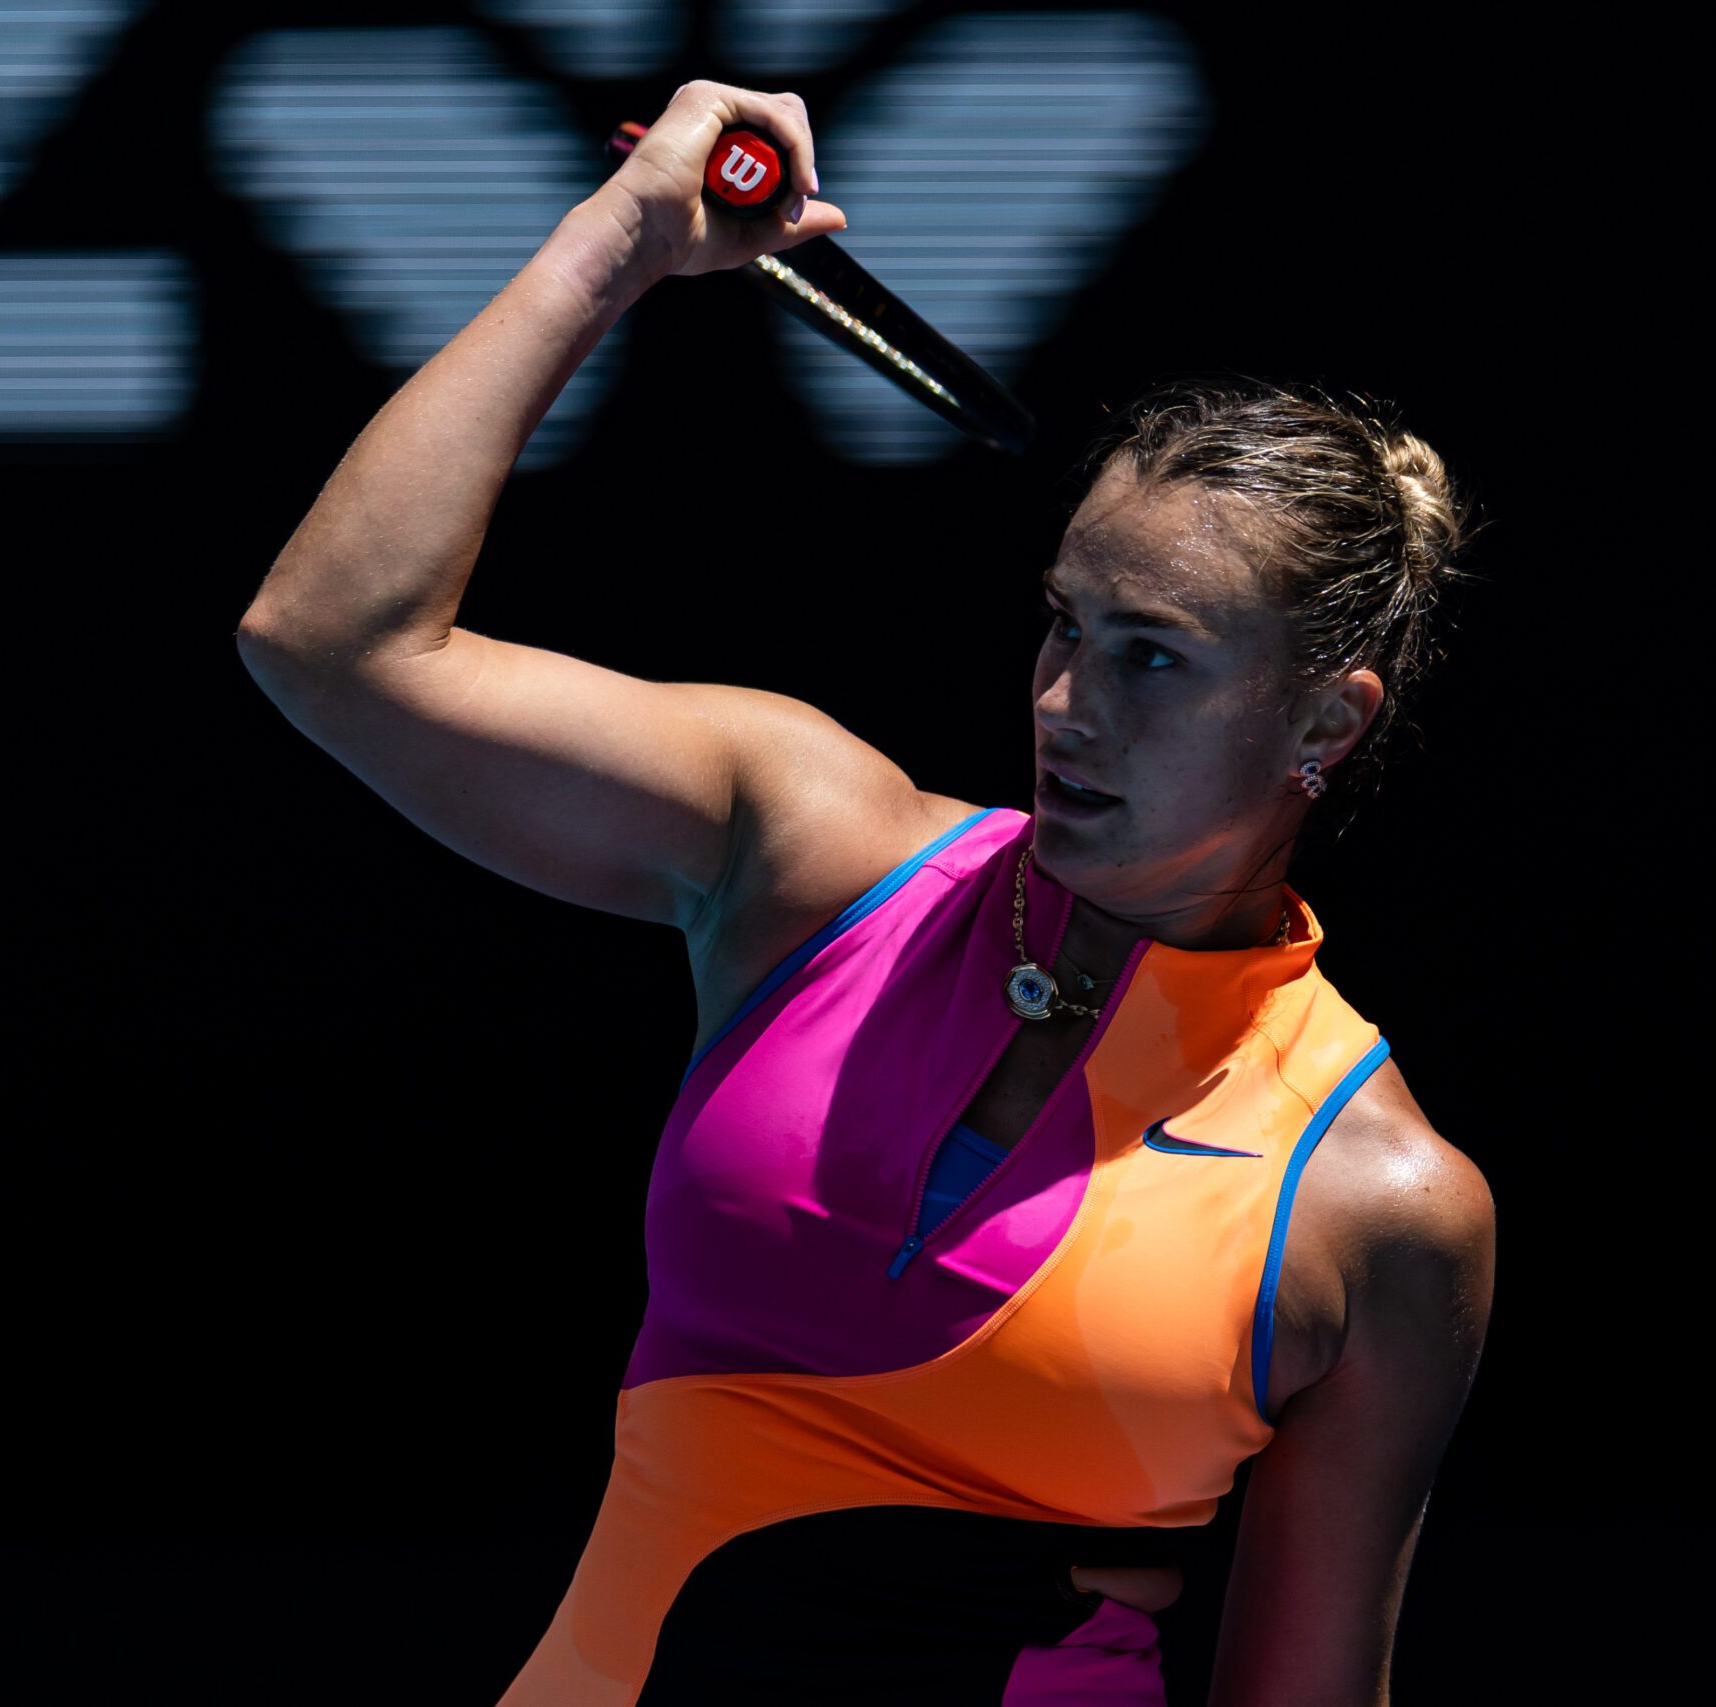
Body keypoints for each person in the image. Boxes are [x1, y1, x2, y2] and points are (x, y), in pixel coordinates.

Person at [235, 79, 1497, 1707]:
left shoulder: (1382, 1209)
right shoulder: (815, 849)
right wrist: (615, 248)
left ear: (1327, 719)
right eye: (1063, 624)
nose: (1063, 705)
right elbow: (331, 645)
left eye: (1151, 659)